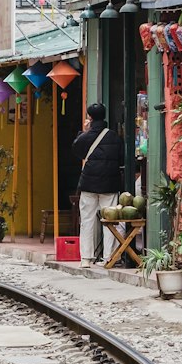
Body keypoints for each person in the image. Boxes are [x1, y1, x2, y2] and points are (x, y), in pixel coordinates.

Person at [73, 102, 124, 265]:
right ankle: (109, 257)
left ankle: (86, 258)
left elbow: (77, 151)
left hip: (88, 183)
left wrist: (84, 132)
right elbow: (121, 158)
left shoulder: (86, 136)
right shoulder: (114, 136)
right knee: (109, 220)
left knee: (87, 220)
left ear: (89, 117)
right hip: (109, 184)